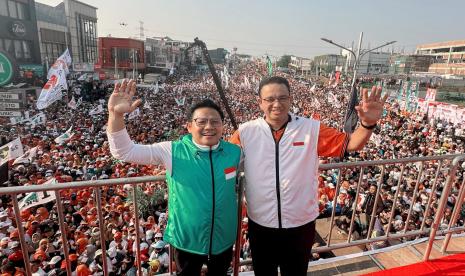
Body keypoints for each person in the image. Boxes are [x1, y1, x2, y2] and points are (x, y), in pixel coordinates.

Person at [230, 76, 388, 276]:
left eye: (282, 97)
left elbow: (351, 144)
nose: (276, 104)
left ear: (290, 99)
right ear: (260, 102)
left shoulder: (311, 128)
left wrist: (367, 124)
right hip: (261, 223)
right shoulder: (245, 132)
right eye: (269, 99)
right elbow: (222, 160)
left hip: (300, 223)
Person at [107, 79, 241, 276]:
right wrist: (116, 115)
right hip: (186, 240)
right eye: (201, 121)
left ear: (222, 126)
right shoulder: (171, 151)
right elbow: (124, 152)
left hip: (223, 238)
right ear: (188, 126)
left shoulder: (235, 152)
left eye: (215, 121)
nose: (209, 127)